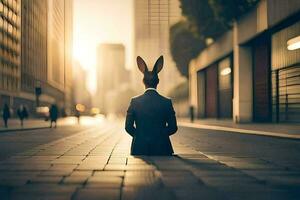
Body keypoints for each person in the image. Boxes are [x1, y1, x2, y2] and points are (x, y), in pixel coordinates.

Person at [125, 56, 178, 156]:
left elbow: (128, 127)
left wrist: (140, 136)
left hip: (139, 148)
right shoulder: (167, 102)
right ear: (157, 82)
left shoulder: (134, 102)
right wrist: (160, 135)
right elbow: (173, 127)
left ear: (143, 82)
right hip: (163, 148)